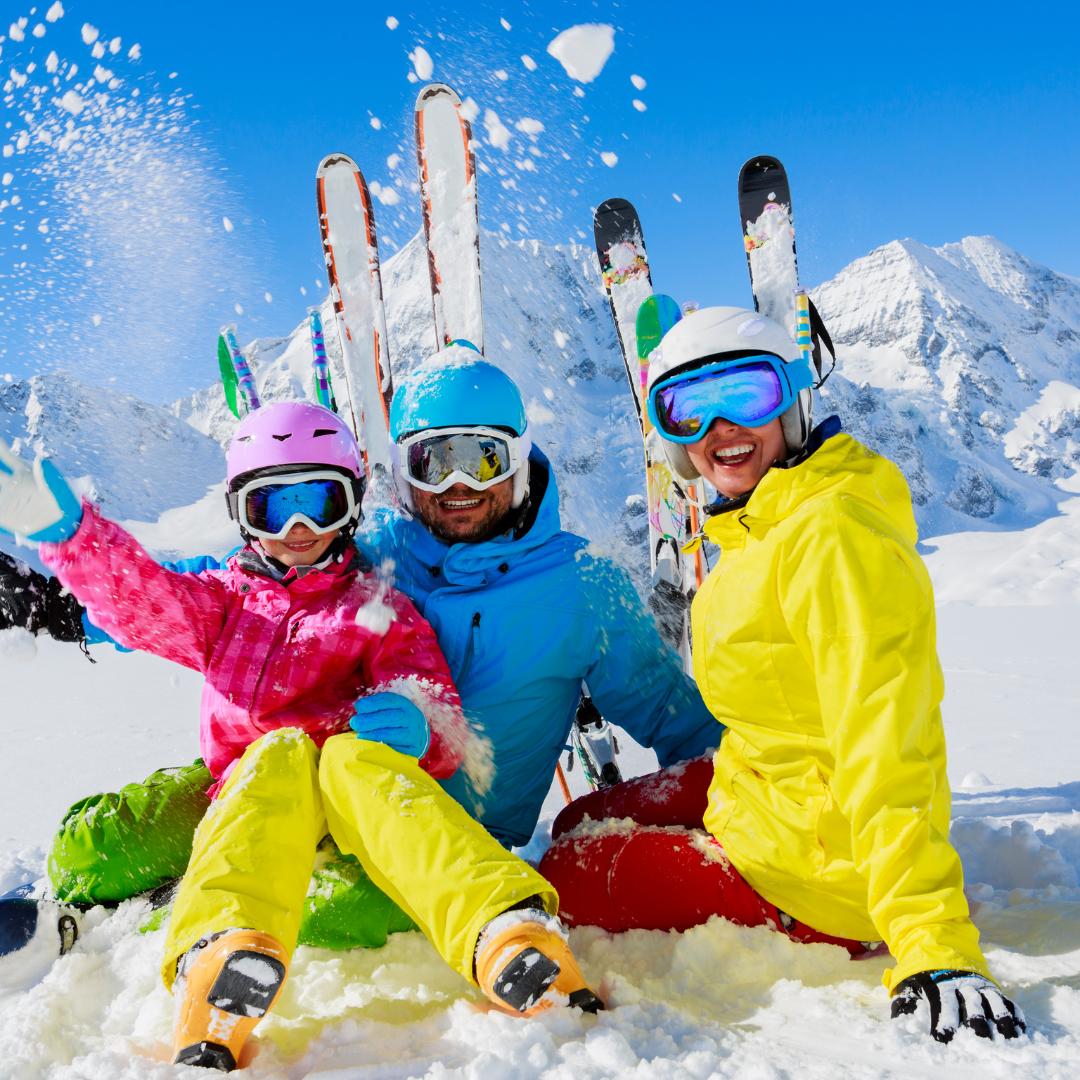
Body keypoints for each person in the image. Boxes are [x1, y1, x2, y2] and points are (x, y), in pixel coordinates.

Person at [6, 352, 715, 949]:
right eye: (434, 462)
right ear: (402, 472)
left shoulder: (584, 588)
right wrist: (61, 599)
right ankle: (111, 889)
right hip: (278, 782)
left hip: (435, 832)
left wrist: (748, 800)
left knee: (333, 906)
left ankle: (176, 916)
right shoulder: (371, 549)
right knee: (106, 842)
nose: (458, 486)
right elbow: (209, 596)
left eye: (481, 459)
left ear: (520, 458)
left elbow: (670, 716)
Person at [0, 400, 601, 1072]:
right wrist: (71, 534)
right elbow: (147, 605)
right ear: (241, 514)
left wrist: (416, 722)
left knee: (346, 778)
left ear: (350, 504)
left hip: (349, 813)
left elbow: (438, 711)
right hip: (243, 796)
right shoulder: (223, 602)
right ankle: (212, 938)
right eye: (271, 507)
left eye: (319, 499)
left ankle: (504, 931)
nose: (297, 527)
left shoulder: (377, 609)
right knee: (137, 825)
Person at [538, 305, 1027, 1045]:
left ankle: (828, 915)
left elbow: (889, 740)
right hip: (765, 792)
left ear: (793, 400)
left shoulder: (830, 537)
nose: (719, 431)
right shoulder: (766, 516)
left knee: (569, 870)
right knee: (575, 820)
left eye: (746, 396)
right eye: (688, 410)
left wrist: (932, 939)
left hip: (819, 871)